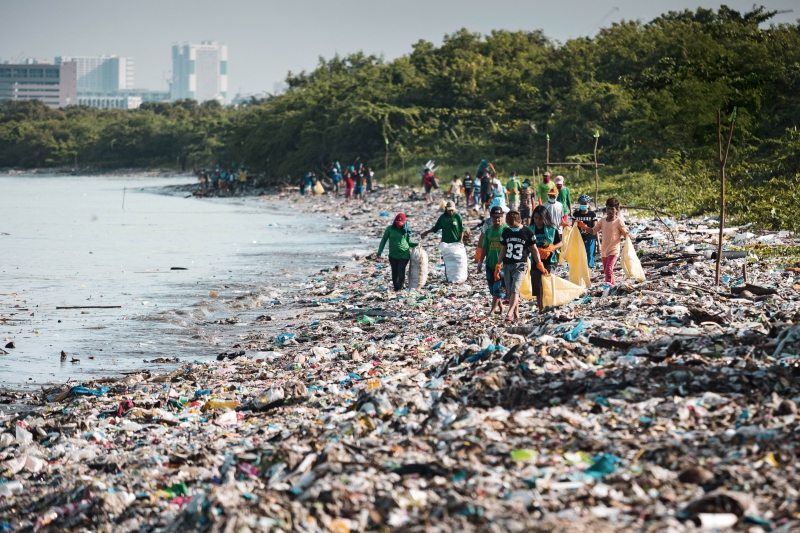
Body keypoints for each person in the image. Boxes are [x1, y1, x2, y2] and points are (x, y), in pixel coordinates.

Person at [584, 197, 629, 286]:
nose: (610, 211)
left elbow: (625, 233)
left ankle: (608, 286)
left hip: (614, 250)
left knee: (609, 268)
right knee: (606, 270)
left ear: (617, 210)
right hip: (604, 250)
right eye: (608, 208)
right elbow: (593, 230)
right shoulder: (603, 220)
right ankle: (612, 286)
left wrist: (628, 235)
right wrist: (584, 227)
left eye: (612, 209)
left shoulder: (618, 221)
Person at [500, 210, 534, 322]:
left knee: (515, 289)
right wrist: (498, 263)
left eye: (512, 223)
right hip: (507, 264)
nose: (510, 226)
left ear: (518, 220)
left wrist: (538, 263)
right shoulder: (506, 232)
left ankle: (509, 313)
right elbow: (503, 249)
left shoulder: (527, 232)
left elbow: (534, 249)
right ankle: (516, 315)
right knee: (510, 292)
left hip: (521, 264)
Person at [529, 205, 563, 312]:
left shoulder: (551, 229)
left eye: (540, 218)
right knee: (537, 286)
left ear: (545, 218)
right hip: (536, 261)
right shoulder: (530, 230)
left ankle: (550, 305)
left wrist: (552, 247)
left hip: (550, 261)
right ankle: (540, 308)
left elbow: (561, 242)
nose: (538, 221)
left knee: (547, 284)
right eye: (536, 218)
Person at [476, 205, 508, 316]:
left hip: (501, 265)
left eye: (499, 217)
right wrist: (480, 262)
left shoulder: (506, 230)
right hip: (489, 264)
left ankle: (492, 310)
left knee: (498, 288)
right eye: (495, 217)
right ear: (491, 218)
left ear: (502, 217)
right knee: (492, 289)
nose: (497, 219)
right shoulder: (489, 231)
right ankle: (501, 306)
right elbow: (485, 248)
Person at [377, 213, 418, 291]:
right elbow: (384, 240)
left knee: (401, 270)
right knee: (394, 272)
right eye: (397, 223)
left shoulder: (406, 230)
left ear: (404, 222)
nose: (399, 225)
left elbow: (409, 242)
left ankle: (400, 288)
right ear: (395, 221)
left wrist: (417, 244)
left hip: (404, 255)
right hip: (393, 255)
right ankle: (396, 288)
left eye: (401, 224)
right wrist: (379, 252)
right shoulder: (389, 229)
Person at [572, 194, 598, 269]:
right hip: (579, 239)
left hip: (590, 238)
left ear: (588, 204)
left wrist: (598, 243)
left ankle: (588, 273)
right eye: (581, 203)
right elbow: (573, 228)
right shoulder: (576, 214)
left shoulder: (592, 215)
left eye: (585, 203)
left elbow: (595, 229)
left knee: (589, 256)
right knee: (580, 257)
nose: (583, 205)